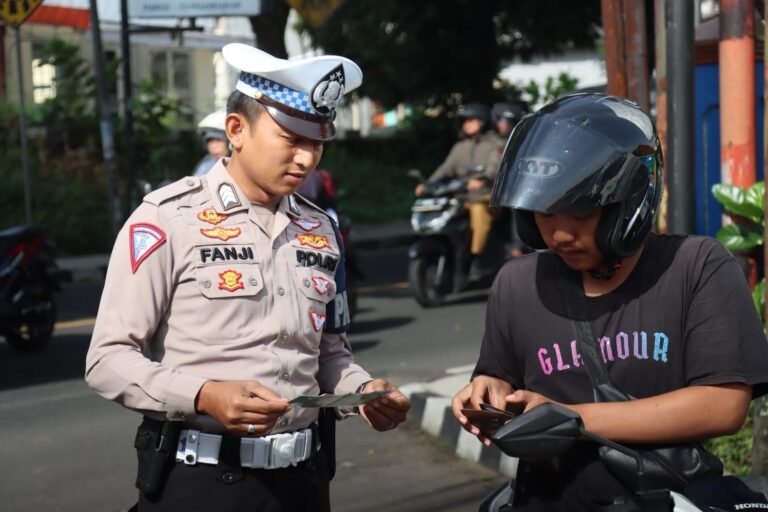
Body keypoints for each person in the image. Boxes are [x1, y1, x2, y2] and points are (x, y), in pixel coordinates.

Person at [85, 42, 410, 512]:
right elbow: (107, 359)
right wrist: (204, 396)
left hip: (304, 481)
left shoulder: (321, 229)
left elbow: (330, 355)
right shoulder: (167, 218)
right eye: (291, 140)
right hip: (202, 483)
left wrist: (362, 391)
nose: (306, 159)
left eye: (317, 143)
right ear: (236, 129)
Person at [450, 93, 768, 510]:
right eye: (545, 214)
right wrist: (488, 391)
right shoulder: (518, 283)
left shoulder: (695, 266)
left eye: (582, 214)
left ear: (630, 201)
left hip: (664, 501)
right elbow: (500, 379)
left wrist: (572, 418)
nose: (561, 235)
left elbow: (723, 405)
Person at [415, 102, 501, 272]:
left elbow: (495, 167)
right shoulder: (460, 147)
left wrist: (483, 180)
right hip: (461, 197)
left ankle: (477, 257)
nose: (467, 124)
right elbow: (445, 169)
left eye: (471, 120)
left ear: (483, 121)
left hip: (486, 197)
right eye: (464, 121)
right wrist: (427, 184)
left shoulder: (495, 144)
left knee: (478, 211)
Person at [490, 100, 531, 257]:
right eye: (500, 120)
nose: (502, 125)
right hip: (495, 189)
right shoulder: (493, 142)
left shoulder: (524, 141)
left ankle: (518, 247)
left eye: (506, 121)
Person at [192, 110, 230, 177]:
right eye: (209, 141)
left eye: (218, 140)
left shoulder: (243, 165)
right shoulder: (206, 166)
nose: (213, 146)